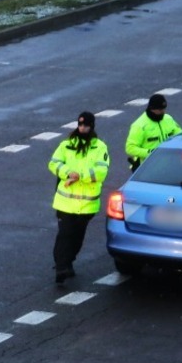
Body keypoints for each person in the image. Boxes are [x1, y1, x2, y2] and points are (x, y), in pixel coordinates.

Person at [48, 111, 109, 284]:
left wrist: (80, 176)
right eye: (80, 124)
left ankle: (68, 262)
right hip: (65, 202)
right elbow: (54, 163)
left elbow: (101, 171)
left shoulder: (100, 147)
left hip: (87, 204)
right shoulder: (66, 144)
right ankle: (61, 267)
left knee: (77, 237)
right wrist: (67, 172)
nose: (82, 128)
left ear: (92, 126)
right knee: (64, 234)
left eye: (86, 125)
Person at [125, 94, 182, 172]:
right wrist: (150, 153)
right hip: (148, 169)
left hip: (169, 166)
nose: (163, 112)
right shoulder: (139, 125)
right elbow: (130, 148)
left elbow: (180, 136)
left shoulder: (168, 119)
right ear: (152, 108)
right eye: (160, 110)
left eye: (164, 109)